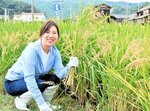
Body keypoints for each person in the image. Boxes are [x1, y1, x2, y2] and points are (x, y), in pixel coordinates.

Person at [4, 20, 78, 111]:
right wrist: (41, 105)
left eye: (54, 33)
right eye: (47, 32)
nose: (51, 35)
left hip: (31, 80)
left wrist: (70, 66)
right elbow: (29, 79)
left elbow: (59, 74)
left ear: (57, 36)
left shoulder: (55, 52)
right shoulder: (32, 50)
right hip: (13, 83)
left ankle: (47, 103)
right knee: (43, 83)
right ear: (41, 34)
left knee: (54, 79)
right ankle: (21, 101)